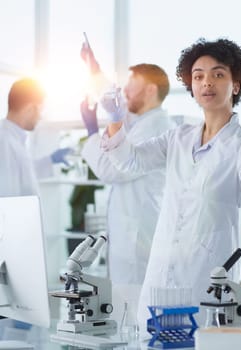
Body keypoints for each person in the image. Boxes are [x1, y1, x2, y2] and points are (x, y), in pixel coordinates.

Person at [97, 37, 241, 331]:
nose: (207, 82)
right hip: (159, 278)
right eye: (198, 76)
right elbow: (131, 160)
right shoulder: (177, 138)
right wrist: (116, 121)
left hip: (205, 280)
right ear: (191, 86)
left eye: (218, 74)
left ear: (235, 85)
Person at [80, 43, 175, 285]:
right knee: (124, 304)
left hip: (138, 236)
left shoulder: (157, 128)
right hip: (128, 231)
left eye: (132, 86)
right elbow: (114, 102)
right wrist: (94, 69)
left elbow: (111, 170)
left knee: (133, 308)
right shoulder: (141, 121)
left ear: (151, 90)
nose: (124, 91)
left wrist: (92, 131)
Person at [0, 77, 72, 197]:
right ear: (30, 108)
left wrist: (50, 160)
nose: (40, 117)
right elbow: (7, 196)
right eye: (40, 110)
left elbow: (23, 173)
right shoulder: (5, 141)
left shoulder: (13, 138)